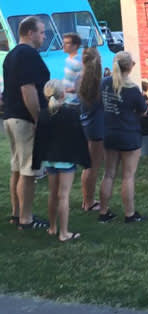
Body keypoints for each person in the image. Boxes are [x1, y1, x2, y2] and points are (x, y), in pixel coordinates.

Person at [2, 16, 50, 230]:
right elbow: (28, 89)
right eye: (42, 32)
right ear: (30, 33)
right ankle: (26, 219)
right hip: (25, 119)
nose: (44, 36)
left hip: (10, 117)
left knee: (17, 169)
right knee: (29, 172)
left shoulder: (11, 55)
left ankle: (16, 214)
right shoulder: (28, 54)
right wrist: (38, 118)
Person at [32, 79, 90, 242]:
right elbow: (79, 138)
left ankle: (52, 228)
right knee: (63, 196)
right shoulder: (71, 114)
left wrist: (37, 162)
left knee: (53, 194)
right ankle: (64, 233)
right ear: (64, 94)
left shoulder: (43, 115)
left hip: (50, 160)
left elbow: (39, 140)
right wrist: (85, 159)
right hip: (66, 160)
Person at [98, 51, 148, 223]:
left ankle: (103, 212)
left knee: (109, 174)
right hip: (128, 134)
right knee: (128, 176)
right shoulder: (132, 88)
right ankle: (129, 214)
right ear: (130, 66)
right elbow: (143, 110)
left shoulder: (104, 83)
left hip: (109, 133)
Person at [77, 47, 104, 212]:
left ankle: (87, 200)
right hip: (97, 127)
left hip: (85, 123)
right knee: (92, 166)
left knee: (89, 165)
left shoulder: (80, 79)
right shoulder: (99, 83)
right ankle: (89, 202)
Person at [62, 32, 82, 105]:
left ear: (75, 45)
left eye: (67, 43)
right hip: (67, 99)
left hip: (74, 101)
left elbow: (84, 82)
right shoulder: (67, 59)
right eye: (63, 42)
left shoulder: (78, 62)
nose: (63, 45)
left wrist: (72, 90)